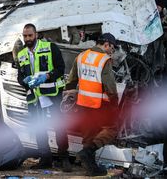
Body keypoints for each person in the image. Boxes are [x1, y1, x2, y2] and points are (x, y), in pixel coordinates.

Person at [16, 23, 72, 172]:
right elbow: (20, 76)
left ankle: (64, 158)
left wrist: (46, 76)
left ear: (36, 35)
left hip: (52, 93)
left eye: (30, 35)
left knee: (59, 126)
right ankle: (45, 159)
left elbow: (60, 68)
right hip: (34, 96)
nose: (27, 38)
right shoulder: (21, 54)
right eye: (25, 36)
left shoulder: (50, 47)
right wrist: (24, 81)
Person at [64, 33, 119, 176]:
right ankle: (87, 153)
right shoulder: (104, 60)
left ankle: (91, 168)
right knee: (112, 129)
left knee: (88, 136)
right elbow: (110, 86)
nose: (111, 52)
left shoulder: (81, 56)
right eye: (112, 48)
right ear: (106, 44)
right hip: (99, 105)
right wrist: (115, 104)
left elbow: (71, 80)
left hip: (83, 104)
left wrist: (68, 95)